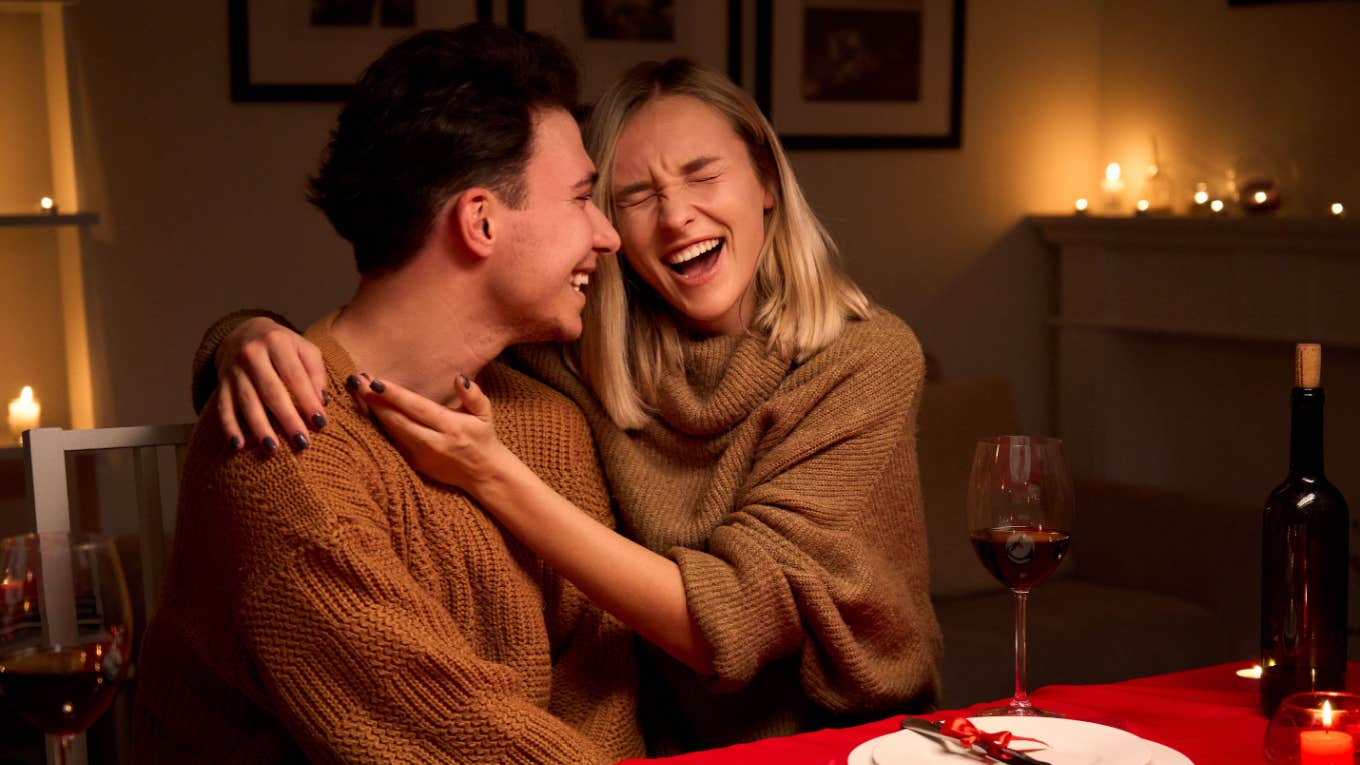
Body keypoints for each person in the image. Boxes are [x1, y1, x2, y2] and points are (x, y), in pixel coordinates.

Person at [196, 58, 942, 754]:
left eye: (702, 175)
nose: (661, 221)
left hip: (851, 743)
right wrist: (245, 341)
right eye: (615, 198)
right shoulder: (570, 357)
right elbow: (404, 327)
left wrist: (492, 474)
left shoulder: (863, 358)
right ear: (484, 221)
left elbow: (732, 618)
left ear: (767, 180)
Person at [131, 25, 643, 763]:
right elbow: (459, 737)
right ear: (481, 221)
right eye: (581, 198)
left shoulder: (544, 421)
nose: (608, 236)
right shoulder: (285, 450)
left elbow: (601, 684)